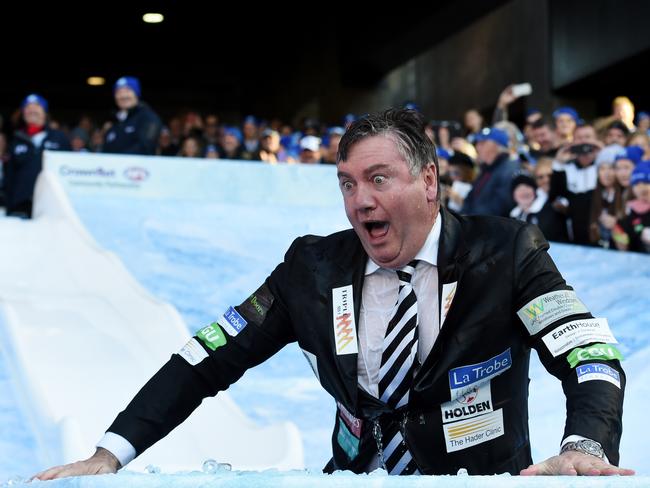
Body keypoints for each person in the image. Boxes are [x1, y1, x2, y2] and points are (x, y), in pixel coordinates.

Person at [35, 109, 632, 480]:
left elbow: (588, 353)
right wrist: (109, 452)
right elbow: (206, 357)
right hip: (353, 478)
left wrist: (586, 444)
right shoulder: (311, 268)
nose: (360, 202)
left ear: (429, 183)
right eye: (347, 184)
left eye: (378, 179)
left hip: (480, 481)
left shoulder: (506, 253)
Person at [4, 94, 70, 218]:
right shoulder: (16, 140)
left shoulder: (59, 138)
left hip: (52, 206)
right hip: (20, 207)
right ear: (23, 113)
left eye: (37, 106)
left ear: (45, 112)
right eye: (28, 107)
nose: (32, 110)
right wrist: (10, 207)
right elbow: (9, 177)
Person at [461, 126, 519, 217]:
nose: (477, 147)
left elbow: (500, 206)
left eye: (483, 143)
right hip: (477, 223)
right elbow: (470, 198)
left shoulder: (509, 169)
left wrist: (471, 219)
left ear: (497, 146)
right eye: (478, 143)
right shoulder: (487, 169)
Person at [103, 76, 162, 155]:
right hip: (112, 167)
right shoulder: (114, 122)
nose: (123, 96)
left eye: (127, 91)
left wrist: (118, 160)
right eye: (119, 92)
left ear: (136, 93)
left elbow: (146, 147)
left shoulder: (148, 118)